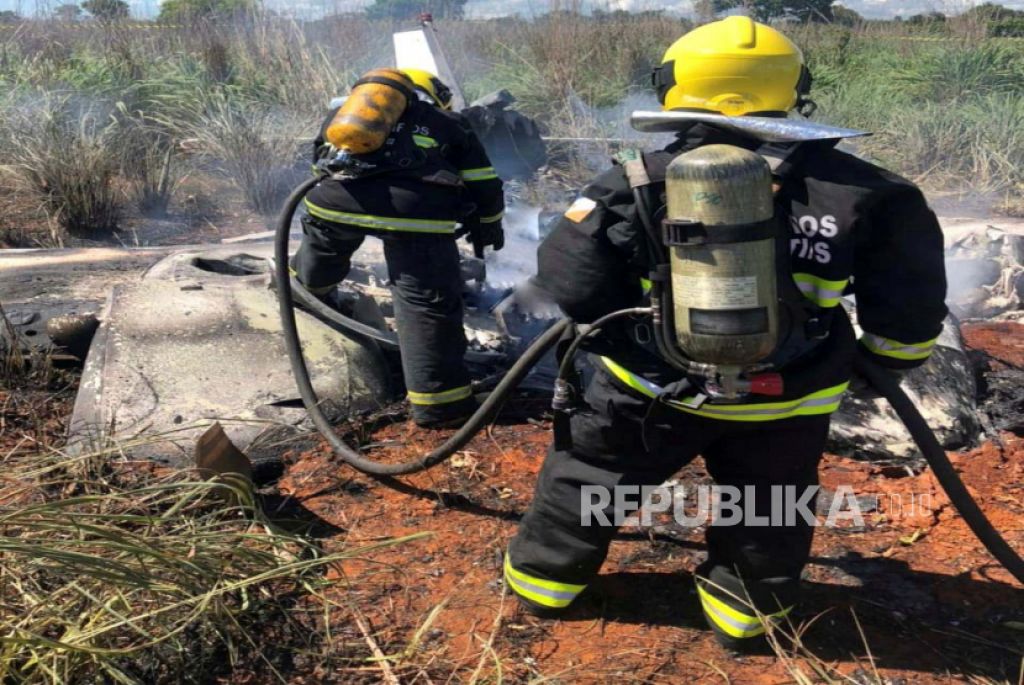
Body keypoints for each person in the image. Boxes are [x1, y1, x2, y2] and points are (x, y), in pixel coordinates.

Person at [504, 16, 947, 651]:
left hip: (647, 392)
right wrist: (884, 364)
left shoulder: (634, 177)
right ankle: (747, 616)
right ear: (795, 88)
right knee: (770, 507)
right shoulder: (869, 192)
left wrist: (621, 344)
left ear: (673, 86)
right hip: (787, 399)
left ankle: (544, 585)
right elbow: (909, 302)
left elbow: (569, 282)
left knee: (591, 478)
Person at [293, 68, 505, 428]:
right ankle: (440, 406)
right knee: (424, 304)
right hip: (415, 217)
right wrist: (489, 222)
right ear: (434, 95)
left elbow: (319, 163)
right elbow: (483, 180)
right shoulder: (449, 122)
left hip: (335, 203)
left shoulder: (343, 114)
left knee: (325, 249)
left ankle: (306, 295)